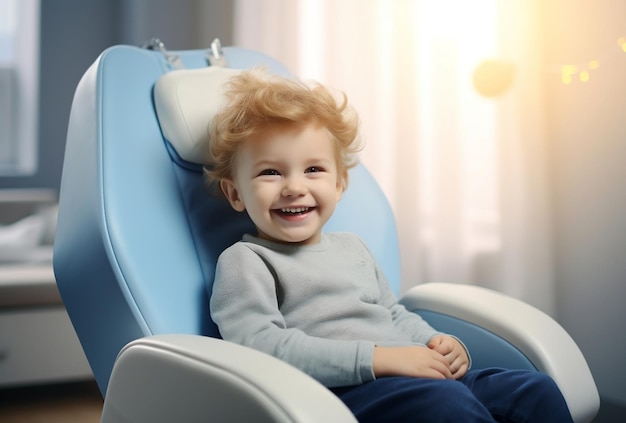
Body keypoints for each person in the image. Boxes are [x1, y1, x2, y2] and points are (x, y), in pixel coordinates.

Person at [205, 69, 573, 422]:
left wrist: (436, 342)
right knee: (447, 405)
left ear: (339, 183)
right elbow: (260, 346)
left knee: (534, 390)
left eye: (313, 169)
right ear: (235, 193)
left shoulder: (353, 248)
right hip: (342, 393)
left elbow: (393, 315)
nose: (294, 187)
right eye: (271, 172)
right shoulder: (247, 261)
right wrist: (378, 360)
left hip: (414, 379)